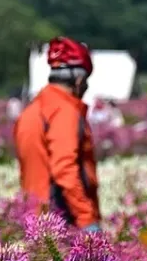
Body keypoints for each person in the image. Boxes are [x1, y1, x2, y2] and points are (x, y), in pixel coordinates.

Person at [14, 36, 101, 233]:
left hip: (34, 219)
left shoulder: (32, 109)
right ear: (79, 81)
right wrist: (87, 221)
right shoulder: (65, 112)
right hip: (62, 220)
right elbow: (65, 169)